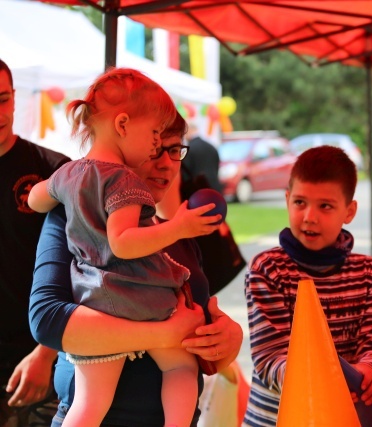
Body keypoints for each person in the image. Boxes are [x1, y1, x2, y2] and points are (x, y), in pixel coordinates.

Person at [27, 68, 220, 427]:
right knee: (179, 365)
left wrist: (223, 334)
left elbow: (36, 197)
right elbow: (122, 242)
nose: (159, 155)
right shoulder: (125, 183)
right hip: (140, 298)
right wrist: (177, 226)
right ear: (122, 125)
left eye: (173, 148)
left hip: (93, 294)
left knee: (89, 404)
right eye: (154, 140)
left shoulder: (68, 175)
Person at [242, 146, 372, 426]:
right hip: (276, 419)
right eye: (300, 202)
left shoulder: (369, 273)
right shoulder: (268, 270)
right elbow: (269, 356)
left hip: (344, 417)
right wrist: (321, 380)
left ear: (349, 211)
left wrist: (369, 370)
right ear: (287, 199)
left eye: (325, 206)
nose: (309, 216)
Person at [0, 58, 70, 426]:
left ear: (14, 98)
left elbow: (84, 272)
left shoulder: (54, 172)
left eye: (2, 99)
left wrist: (47, 352)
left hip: (37, 366)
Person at [182, 120, 223, 194]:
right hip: (214, 188)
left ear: (189, 130)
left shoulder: (189, 149)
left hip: (197, 191)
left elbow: (185, 173)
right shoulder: (211, 147)